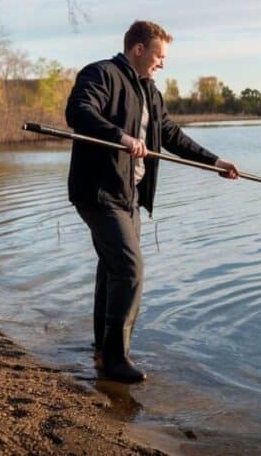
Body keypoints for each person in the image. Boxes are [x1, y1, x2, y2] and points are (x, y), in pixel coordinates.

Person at [65, 20, 239, 383]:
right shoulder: (101, 74)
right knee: (130, 271)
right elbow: (79, 111)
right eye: (160, 56)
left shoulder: (150, 92)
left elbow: (171, 135)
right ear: (139, 49)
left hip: (129, 196)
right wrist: (121, 137)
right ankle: (116, 359)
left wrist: (215, 162)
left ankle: (101, 350)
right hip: (99, 192)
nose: (163, 63)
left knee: (112, 269)